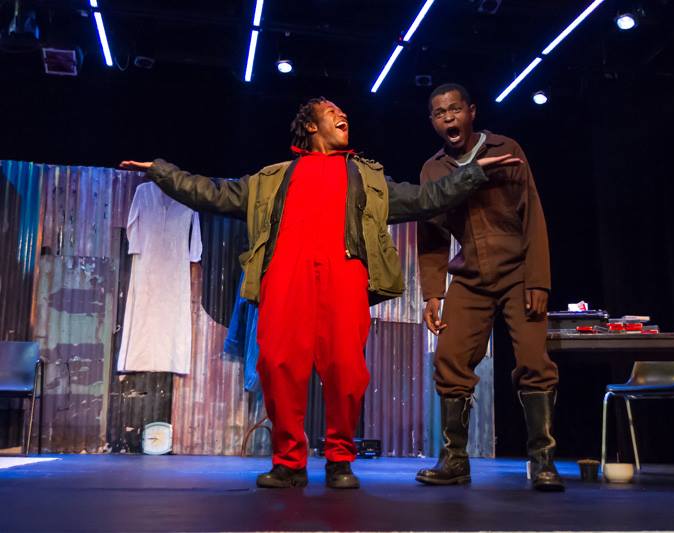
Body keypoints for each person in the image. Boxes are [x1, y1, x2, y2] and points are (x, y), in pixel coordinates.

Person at [120, 96, 521, 490]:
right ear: (312, 126)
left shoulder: (365, 177)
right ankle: (288, 463)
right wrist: (162, 172)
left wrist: (471, 173)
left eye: (343, 111)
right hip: (285, 275)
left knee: (347, 371)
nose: (343, 114)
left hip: (343, 274)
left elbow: (425, 198)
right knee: (277, 365)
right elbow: (211, 192)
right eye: (332, 112)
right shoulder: (273, 178)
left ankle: (340, 459)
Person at [415, 84, 564, 491]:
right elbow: (431, 236)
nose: (448, 117)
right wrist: (432, 293)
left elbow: (532, 214)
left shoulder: (506, 149)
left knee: (533, 360)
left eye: (455, 109)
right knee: (449, 358)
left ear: (471, 111)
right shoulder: (433, 170)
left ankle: (543, 461)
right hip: (470, 277)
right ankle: (454, 460)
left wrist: (538, 279)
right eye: (439, 113)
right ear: (432, 121)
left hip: (518, 271)